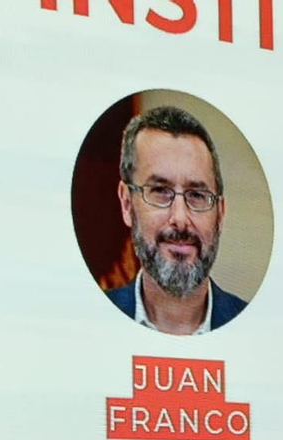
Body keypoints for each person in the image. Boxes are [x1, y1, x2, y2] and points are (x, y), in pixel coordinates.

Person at [106, 106, 247, 335]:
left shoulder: (257, 328)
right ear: (127, 204)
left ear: (220, 213)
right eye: (160, 191)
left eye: (197, 195)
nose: (180, 219)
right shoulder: (88, 321)